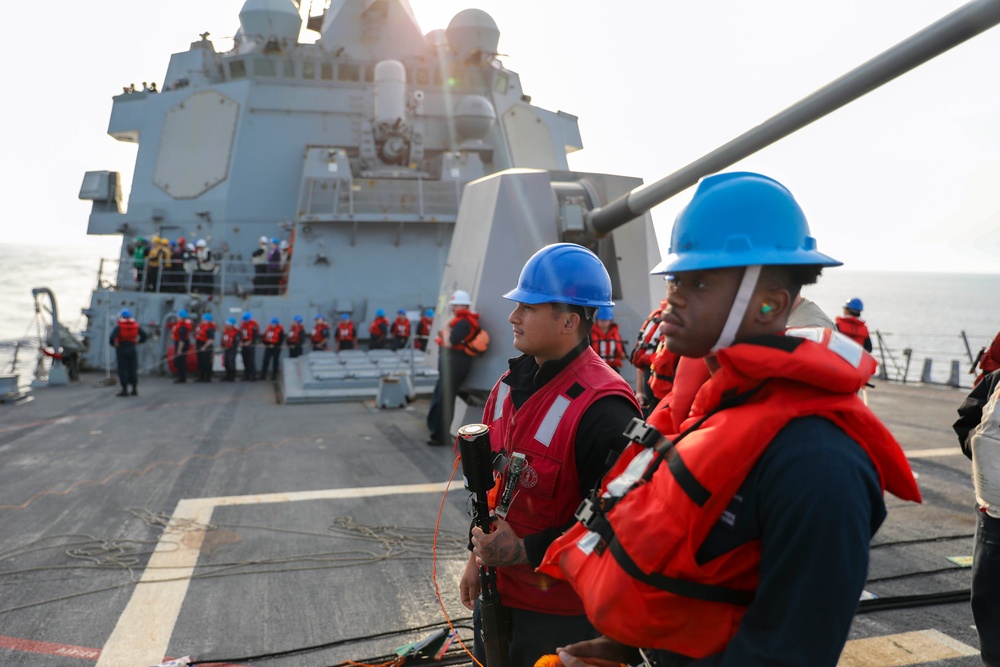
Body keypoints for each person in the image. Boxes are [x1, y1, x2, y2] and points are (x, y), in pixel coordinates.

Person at [538, 172, 922, 667]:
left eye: (698, 282)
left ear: (770, 306)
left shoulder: (818, 465)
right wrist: (630, 649)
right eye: (676, 279)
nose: (672, 297)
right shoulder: (718, 413)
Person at [458, 243, 642, 666]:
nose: (513, 316)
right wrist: (476, 557)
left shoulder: (605, 409)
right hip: (496, 593)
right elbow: (491, 488)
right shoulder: (506, 388)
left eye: (529, 306)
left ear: (569, 321)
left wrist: (523, 552)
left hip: (561, 615)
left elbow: (617, 525)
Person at [954, 368, 1000, 666]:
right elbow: (967, 422)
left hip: (994, 515)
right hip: (994, 515)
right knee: (988, 598)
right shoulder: (995, 380)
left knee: (989, 596)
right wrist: (982, 451)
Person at [426, 290, 480, 447]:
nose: (454, 308)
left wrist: (446, 328)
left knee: (445, 399)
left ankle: (440, 436)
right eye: (453, 305)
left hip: (455, 363)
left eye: (457, 305)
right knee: (442, 397)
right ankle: (437, 431)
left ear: (465, 305)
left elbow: (450, 342)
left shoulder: (463, 323)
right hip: (452, 363)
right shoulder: (460, 321)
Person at [629, 298, 667, 416]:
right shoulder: (657, 320)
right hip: (652, 401)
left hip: (667, 401)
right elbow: (642, 359)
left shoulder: (689, 324)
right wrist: (639, 391)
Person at [109, 309, 147, 396]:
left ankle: (124, 390)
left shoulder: (119, 326)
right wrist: (139, 342)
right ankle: (134, 389)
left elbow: (112, 338)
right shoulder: (135, 326)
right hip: (132, 348)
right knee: (132, 369)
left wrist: (114, 344)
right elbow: (144, 335)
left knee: (123, 369)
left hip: (122, 348)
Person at [590, 306, 626, 373]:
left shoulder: (616, 335)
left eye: (605, 320)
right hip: (596, 368)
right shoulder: (591, 335)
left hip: (613, 368)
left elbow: (623, 354)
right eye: (601, 320)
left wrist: (622, 355)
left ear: (610, 321)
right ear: (597, 320)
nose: (603, 323)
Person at [193, 313, 217, 382]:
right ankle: (201, 376)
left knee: (206, 362)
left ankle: (207, 377)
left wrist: (204, 347)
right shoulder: (201, 327)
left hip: (206, 347)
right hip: (199, 346)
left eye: (204, 320)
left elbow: (210, 340)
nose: (202, 321)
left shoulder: (210, 329)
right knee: (200, 362)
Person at [171, 309, 193, 383]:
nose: (177, 318)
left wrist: (179, 350)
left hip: (182, 345)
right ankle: (180, 376)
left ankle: (182, 377)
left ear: (182, 318)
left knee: (180, 361)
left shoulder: (183, 328)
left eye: (178, 317)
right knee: (177, 361)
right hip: (179, 343)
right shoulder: (180, 325)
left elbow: (182, 340)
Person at [239, 312, 261, 381]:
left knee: (251, 360)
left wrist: (249, 342)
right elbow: (241, 333)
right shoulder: (243, 324)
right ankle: (246, 374)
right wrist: (241, 341)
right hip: (244, 344)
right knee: (245, 360)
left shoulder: (254, 324)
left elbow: (255, 335)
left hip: (251, 344)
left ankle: (253, 375)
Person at [221, 317, 240, 382]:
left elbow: (236, 342)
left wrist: (230, 346)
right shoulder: (226, 331)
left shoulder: (236, 332)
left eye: (229, 324)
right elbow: (223, 339)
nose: (227, 326)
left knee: (231, 362)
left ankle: (232, 376)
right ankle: (227, 375)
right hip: (226, 349)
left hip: (232, 350)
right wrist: (222, 345)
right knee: (226, 362)